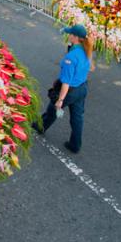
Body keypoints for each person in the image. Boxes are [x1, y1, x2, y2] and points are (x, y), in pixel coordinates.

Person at [34, 25, 92, 154]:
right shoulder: (86, 50)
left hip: (70, 91)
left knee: (52, 111)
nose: (68, 35)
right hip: (82, 88)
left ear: (75, 37)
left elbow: (66, 82)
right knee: (77, 118)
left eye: (70, 34)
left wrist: (60, 100)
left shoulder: (70, 58)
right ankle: (75, 145)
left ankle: (40, 126)